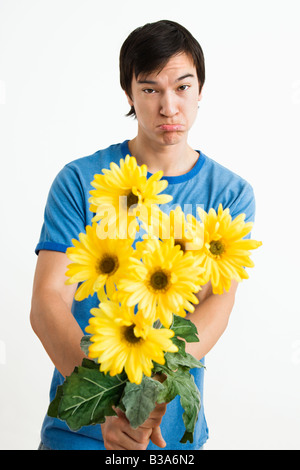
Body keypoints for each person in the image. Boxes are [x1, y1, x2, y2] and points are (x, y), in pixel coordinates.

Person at [30, 19, 256, 450]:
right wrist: (108, 409)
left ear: (201, 89)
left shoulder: (228, 194)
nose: (168, 107)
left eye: (182, 87)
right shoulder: (83, 181)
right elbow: (47, 300)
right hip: (78, 434)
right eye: (150, 89)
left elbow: (217, 301)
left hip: (172, 440)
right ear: (129, 94)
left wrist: (146, 395)